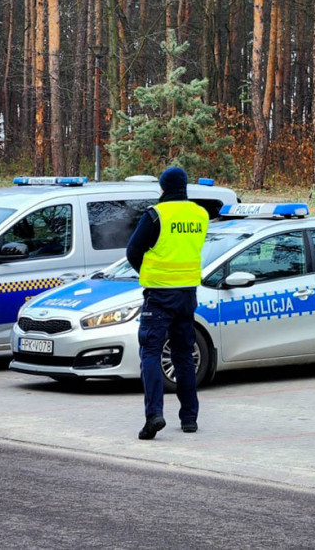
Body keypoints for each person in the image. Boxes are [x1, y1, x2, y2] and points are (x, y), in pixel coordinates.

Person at [126, 167, 209, 439]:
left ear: (163, 188)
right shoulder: (200, 215)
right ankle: (189, 419)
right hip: (187, 295)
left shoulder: (155, 215)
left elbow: (133, 251)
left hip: (159, 296)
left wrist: (148, 274)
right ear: (184, 187)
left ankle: (154, 415)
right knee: (183, 355)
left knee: (150, 353)